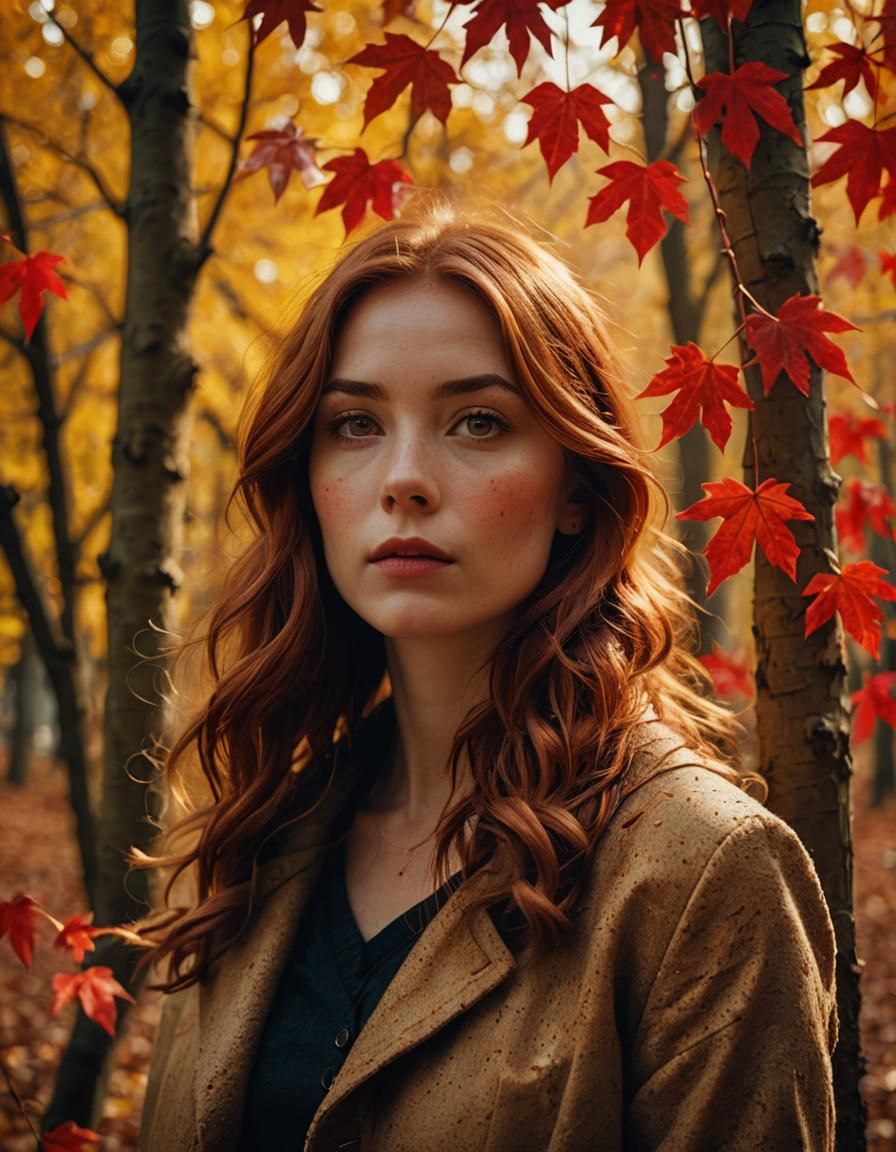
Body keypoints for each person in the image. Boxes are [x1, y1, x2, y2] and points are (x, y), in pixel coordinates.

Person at [134, 191, 838, 1152]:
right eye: (354, 424)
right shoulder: (252, 843)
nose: (405, 478)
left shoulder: (702, 871)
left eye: (476, 423)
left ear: (578, 492)